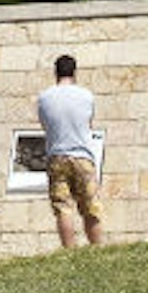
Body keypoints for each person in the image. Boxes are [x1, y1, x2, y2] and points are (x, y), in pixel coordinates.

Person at [37, 54, 104, 246]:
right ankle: (97, 247)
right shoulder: (86, 95)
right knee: (90, 205)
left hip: (56, 155)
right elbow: (88, 122)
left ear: (55, 72)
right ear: (74, 72)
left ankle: (70, 250)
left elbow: (45, 125)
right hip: (82, 155)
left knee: (63, 208)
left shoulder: (45, 97)